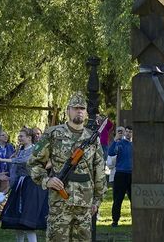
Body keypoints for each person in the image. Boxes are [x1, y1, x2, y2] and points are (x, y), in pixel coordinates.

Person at [30, 92, 107, 241]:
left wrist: (97, 201)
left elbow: (99, 171)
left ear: (85, 113)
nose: (79, 111)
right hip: (60, 203)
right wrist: (47, 181)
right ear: (68, 111)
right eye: (75, 107)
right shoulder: (53, 134)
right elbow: (33, 163)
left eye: (82, 108)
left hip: (85, 205)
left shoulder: (92, 138)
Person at [1, 129, 48, 242]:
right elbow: (15, 169)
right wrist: (10, 185)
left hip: (31, 185)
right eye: (19, 136)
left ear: (29, 137)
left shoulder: (35, 150)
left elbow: (24, 161)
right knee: (17, 220)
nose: (19, 138)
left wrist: (1, 159)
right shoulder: (20, 150)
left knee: (28, 220)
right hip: (20, 185)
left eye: (22, 136)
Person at [107, 126, 133, 227]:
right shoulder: (119, 143)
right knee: (118, 199)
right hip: (120, 174)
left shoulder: (135, 145)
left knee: (134, 200)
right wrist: (115, 140)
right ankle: (115, 220)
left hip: (132, 174)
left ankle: (135, 220)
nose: (128, 133)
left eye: (130, 132)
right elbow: (111, 152)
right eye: (126, 131)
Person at [0, 130, 15, 208]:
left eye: (6, 135)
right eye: (3, 135)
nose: (6, 137)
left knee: (4, 191)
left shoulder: (10, 147)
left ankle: (0, 209)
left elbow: (14, 158)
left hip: (7, 173)